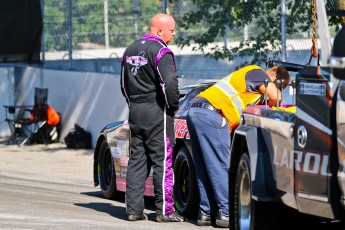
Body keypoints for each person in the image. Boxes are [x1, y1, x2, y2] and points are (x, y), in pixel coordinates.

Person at [186, 65, 290, 228]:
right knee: (222, 166)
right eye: (281, 86)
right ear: (275, 79)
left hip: (195, 111)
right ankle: (226, 212)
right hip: (213, 114)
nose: (281, 89)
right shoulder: (258, 73)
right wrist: (274, 100)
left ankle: (205, 213)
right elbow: (276, 98)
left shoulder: (246, 78)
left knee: (204, 167)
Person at [120, 13, 183, 223]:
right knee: (163, 161)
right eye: (172, 30)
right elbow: (170, 84)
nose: (174, 34)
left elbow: (123, 84)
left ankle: (133, 210)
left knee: (137, 161)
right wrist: (172, 107)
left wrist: (134, 104)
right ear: (159, 30)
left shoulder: (129, 49)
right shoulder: (161, 51)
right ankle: (165, 211)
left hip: (136, 110)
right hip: (157, 111)